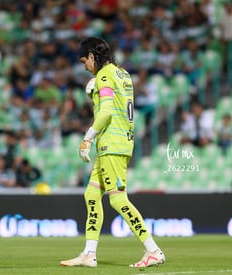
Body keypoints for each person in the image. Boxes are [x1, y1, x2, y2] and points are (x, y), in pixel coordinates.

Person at [60, 37, 164, 268]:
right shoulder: (123, 74)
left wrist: (88, 137)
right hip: (119, 141)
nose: (84, 66)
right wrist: (94, 92)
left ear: (93, 56)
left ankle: (153, 250)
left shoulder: (104, 74)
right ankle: (89, 253)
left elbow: (106, 112)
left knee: (118, 200)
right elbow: (115, 104)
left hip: (112, 144)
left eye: (84, 60)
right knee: (91, 195)